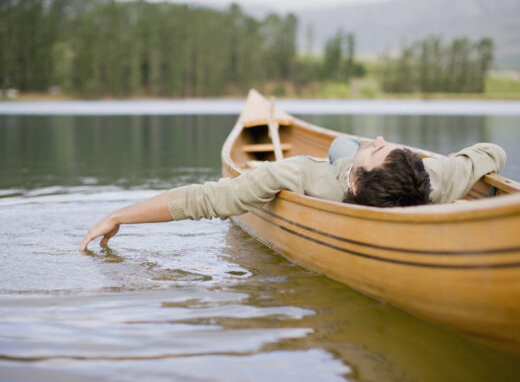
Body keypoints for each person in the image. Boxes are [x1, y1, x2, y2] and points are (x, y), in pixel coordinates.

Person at [79, 136, 506, 251]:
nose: (375, 137)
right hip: (399, 168)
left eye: (377, 147)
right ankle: (367, 150)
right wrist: (424, 160)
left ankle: (350, 148)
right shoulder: (439, 177)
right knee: (347, 144)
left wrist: (118, 215)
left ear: (355, 184)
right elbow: (493, 152)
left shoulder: (296, 172)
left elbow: (207, 199)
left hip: (342, 162)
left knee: (345, 145)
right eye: (381, 142)